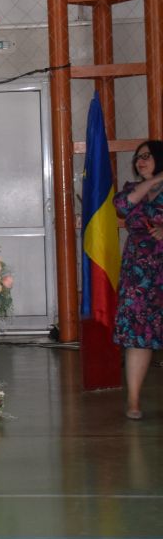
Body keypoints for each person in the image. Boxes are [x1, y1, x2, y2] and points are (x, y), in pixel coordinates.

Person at [113, 140, 163, 420]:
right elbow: (122, 206)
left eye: (147, 156)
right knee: (138, 336)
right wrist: (155, 179)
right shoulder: (132, 189)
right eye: (138, 157)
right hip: (139, 276)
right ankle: (133, 400)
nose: (140, 161)